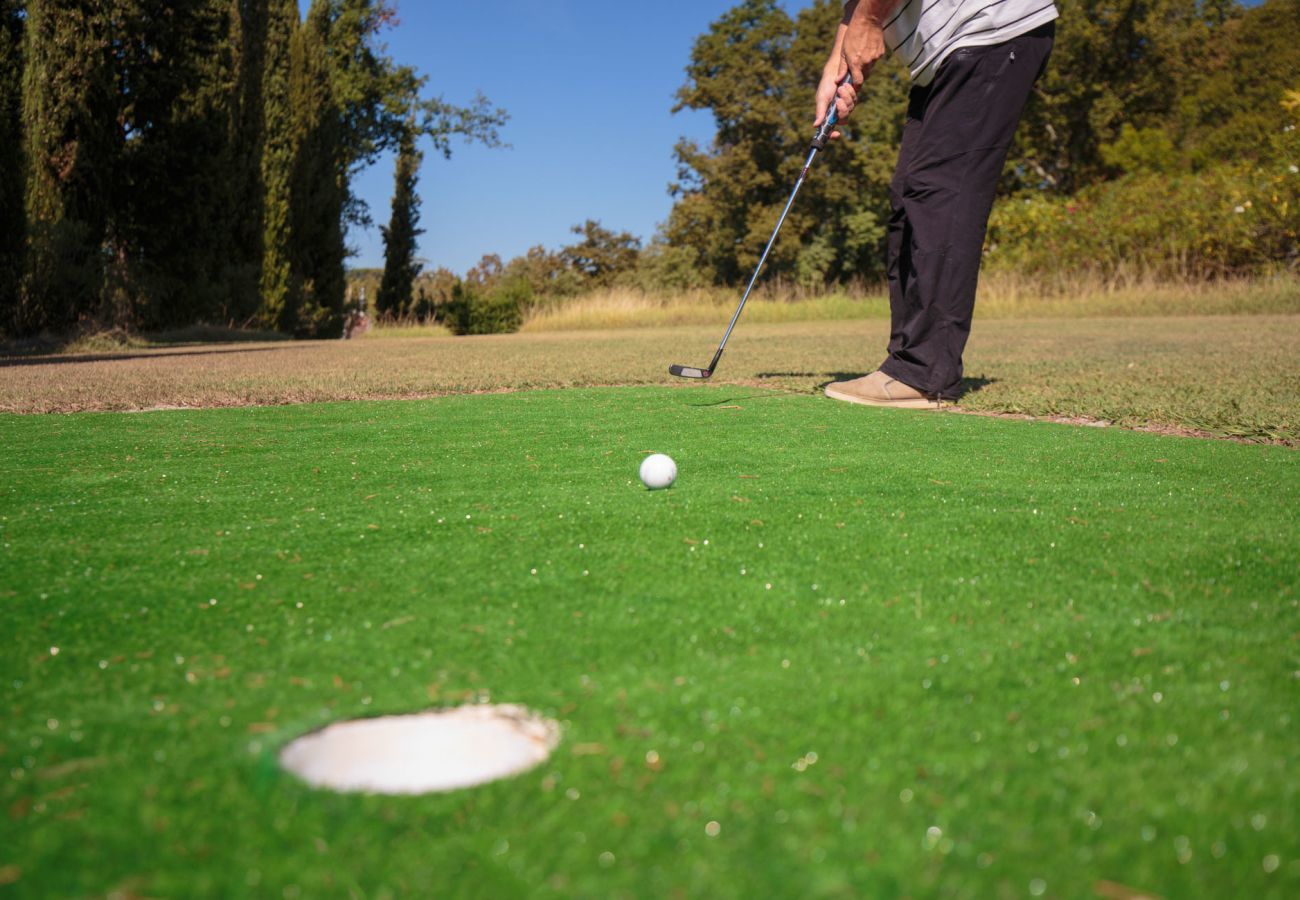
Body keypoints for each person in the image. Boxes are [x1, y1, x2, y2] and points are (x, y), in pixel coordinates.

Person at [819, 0, 1057, 409]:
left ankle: (924, 372)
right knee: (909, 200)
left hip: (988, 31)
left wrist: (871, 19)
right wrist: (836, 64)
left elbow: (864, 11)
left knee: (939, 195)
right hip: (939, 61)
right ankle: (907, 363)